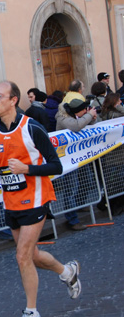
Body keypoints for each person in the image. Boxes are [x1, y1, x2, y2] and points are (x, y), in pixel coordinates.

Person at [0, 81, 81, 317]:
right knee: (33, 255)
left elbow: (56, 166)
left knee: (22, 256)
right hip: (11, 202)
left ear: (13, 100)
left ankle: (32, 314)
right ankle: (67, 271)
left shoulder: (32, 128)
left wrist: (27, 169)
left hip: (37, 198)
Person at [55, 98, 97, 231]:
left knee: (88, 180)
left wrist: (93, 118)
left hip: (79, 156)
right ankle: (72, 219)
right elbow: (76, 125)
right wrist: (89, 116)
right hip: (68, 160)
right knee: (71, 189)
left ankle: (79, 204)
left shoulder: (76, 117)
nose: (86, 112)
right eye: (84, 111)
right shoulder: (62, 118)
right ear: (77, 111)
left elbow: (89, 124)